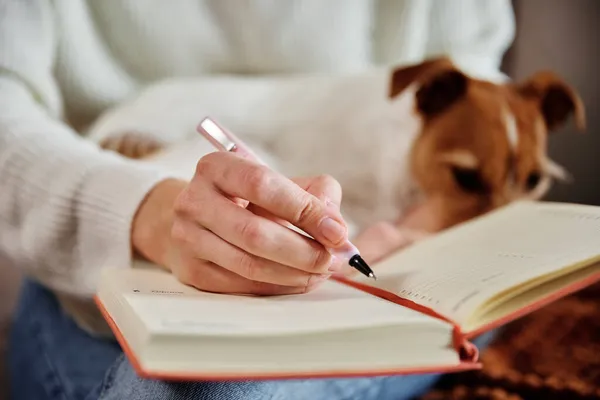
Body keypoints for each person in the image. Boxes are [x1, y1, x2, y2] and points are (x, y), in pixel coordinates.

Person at [0, 1, 515, 399]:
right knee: (213, 382)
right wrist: (144, 212)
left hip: (387, 263)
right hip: (96, 248)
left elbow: (478, 77)